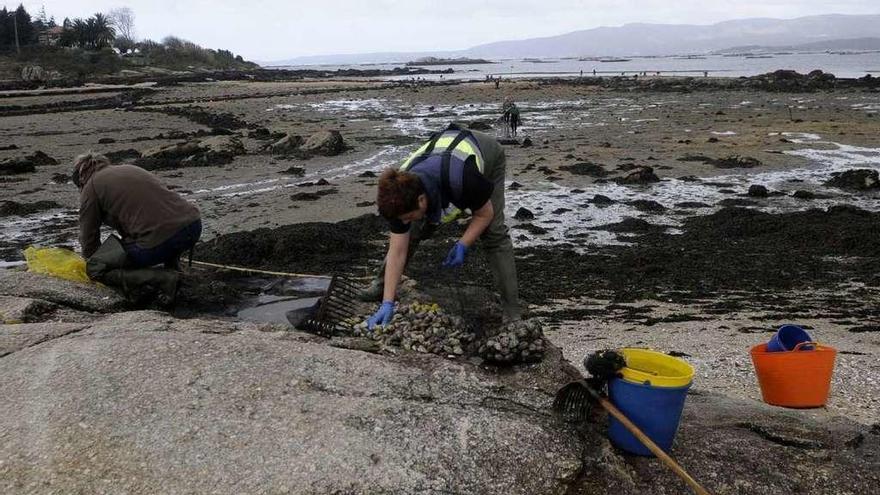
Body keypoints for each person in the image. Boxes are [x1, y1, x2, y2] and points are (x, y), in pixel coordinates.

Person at [362, 123, 520, 328]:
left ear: (421, 200)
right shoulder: (397, 196)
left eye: (408, 216)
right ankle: (381, 285)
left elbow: (484, 214)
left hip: (486, 154)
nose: (405, 221)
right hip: (441, 155)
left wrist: (464, 243)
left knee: (494, 235)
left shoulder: (463, 179)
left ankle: (512, 310)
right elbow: (397, 250)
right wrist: (388, 301)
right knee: (413, 231)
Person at [74, 152, 202, 305]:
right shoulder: (131, 169)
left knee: (96, 268)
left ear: (81, 178)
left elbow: (88, 236)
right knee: (156, 228)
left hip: (162, 239)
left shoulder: (91, 186)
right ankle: (174, 267)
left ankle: (164, 278)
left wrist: (92, 262)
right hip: (193, 226)